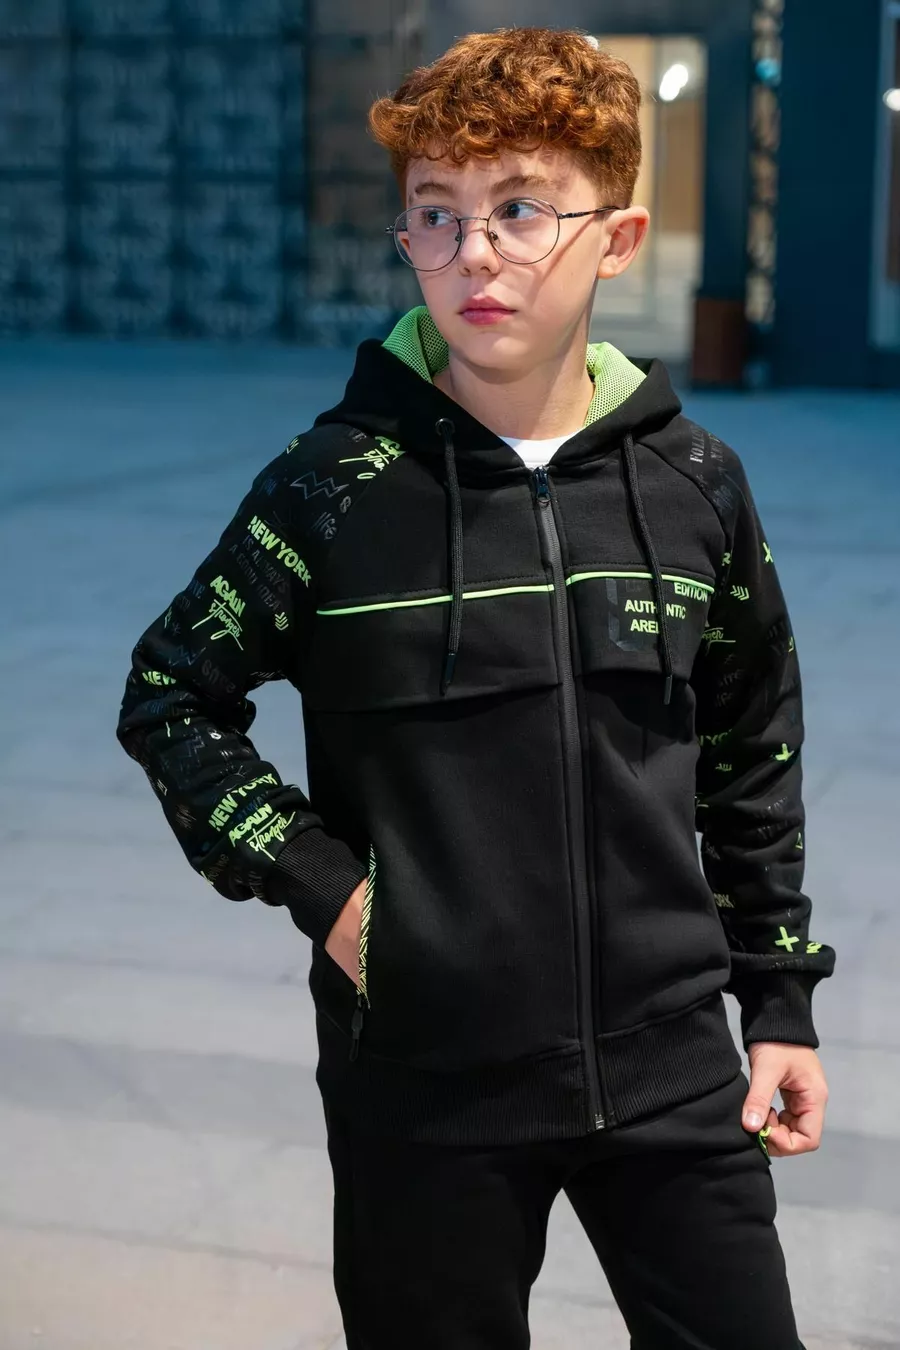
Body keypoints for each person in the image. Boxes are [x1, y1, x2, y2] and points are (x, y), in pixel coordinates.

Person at [116, 25, 836, 1349]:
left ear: (615, 240)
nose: (474, 254)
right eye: (436, 214)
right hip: (425, 1084)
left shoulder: (694, 485)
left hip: (673, 1066)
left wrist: (777, 998)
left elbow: (751, 745)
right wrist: (332, 895)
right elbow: (171, 695)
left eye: (519, 210)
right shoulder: (332, 488)